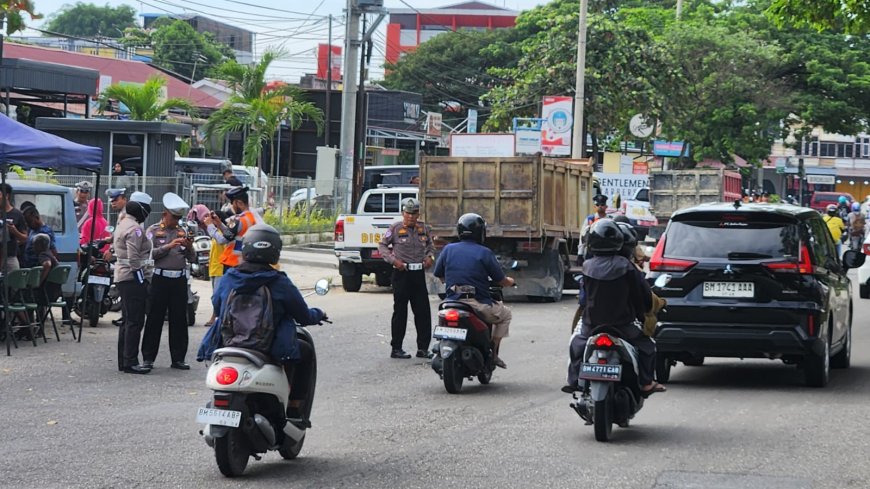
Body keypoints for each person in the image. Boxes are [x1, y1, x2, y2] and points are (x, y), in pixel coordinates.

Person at [198, 223, 327, 419]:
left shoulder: (229, 278)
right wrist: (318, 313)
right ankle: (293, 406)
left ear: (247, 248)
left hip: (229, 344)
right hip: (267, 347)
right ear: (275, 252)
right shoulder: (279, 282)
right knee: (305, 352)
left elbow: (217, 306)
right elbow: (303, 316)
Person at [563, 219, 664, 396]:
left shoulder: (587, 266)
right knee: (648, 346)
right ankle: (647, 382)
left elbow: (584, 299)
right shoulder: (627, 267)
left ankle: (573, 380)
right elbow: (642, 297)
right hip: (623, 325)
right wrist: (644, 313)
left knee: (576, 343)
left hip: (591, 324)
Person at [433, 213, 514, 368]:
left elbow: (439, 275)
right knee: (506, 314)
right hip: (477, 304)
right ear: (481, 232)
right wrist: (510, 282)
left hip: (451, 302)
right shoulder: (484, 252)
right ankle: (494, 354)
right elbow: (500, 280)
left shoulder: (448, 249)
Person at [141, 193, 194, 370]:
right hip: (160, 278)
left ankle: (178, 358)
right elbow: (148, 254)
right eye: (174, 217)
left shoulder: (183, 231)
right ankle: (148, 357)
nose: (176, 221)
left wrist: (189, 248)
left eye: (179, 218)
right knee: (154, 319)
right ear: (165, 214)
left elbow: (192, 258)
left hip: (178, 280)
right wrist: (168, 246)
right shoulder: (153, 231)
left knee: (179, 319)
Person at [377, 197, 435, 359]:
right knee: (400, 312)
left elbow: (431, 245)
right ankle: (396, 348)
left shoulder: (424, 229)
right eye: (408, 213)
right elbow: (382, 246)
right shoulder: (395, 229)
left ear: (418, 214)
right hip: (401, 274)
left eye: (414, 213)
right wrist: (394, 261)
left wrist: (430, 257)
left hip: (418, 274)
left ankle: (423, 349)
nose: (411, 217)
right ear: (403, 213)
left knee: (423, 312)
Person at [114, 192, 154, 374]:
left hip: (123, 278)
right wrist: (141, 282)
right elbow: (133, 258)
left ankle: (124, 361)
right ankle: (130, 361)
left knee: (127, 320)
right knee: (135, 321)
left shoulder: (123, 222)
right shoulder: (135, 229)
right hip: (132, 278)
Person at [192, 205, 227, 328]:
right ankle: (216, 317)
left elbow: (221, 241)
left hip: (221, 269)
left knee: (218, 296)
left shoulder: (221, 233)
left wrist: (211, 225)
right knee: (215, 295)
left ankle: (215, 318)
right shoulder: (215, 233)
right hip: (214, 268)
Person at [217, 186, 258, 271]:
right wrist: (219, 223)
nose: (231, 207)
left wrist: (210, 226)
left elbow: (222, 240)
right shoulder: (252, 217)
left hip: (232, 264)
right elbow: (231, 233)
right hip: (245, 263)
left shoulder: (236, 219)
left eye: (233, 204)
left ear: (239, 203)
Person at [0, 183, 28, 272]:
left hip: (10, 257)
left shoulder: (17, 214)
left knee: (13, 283)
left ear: (6, 196)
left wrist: (15, 231)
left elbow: (25, 238)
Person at [21, 203, 57, 268]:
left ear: (36, 218)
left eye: (29, 222)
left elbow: (52, 251)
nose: (27, 225)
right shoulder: (32, 230)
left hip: (37, 267)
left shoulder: (45, 232)